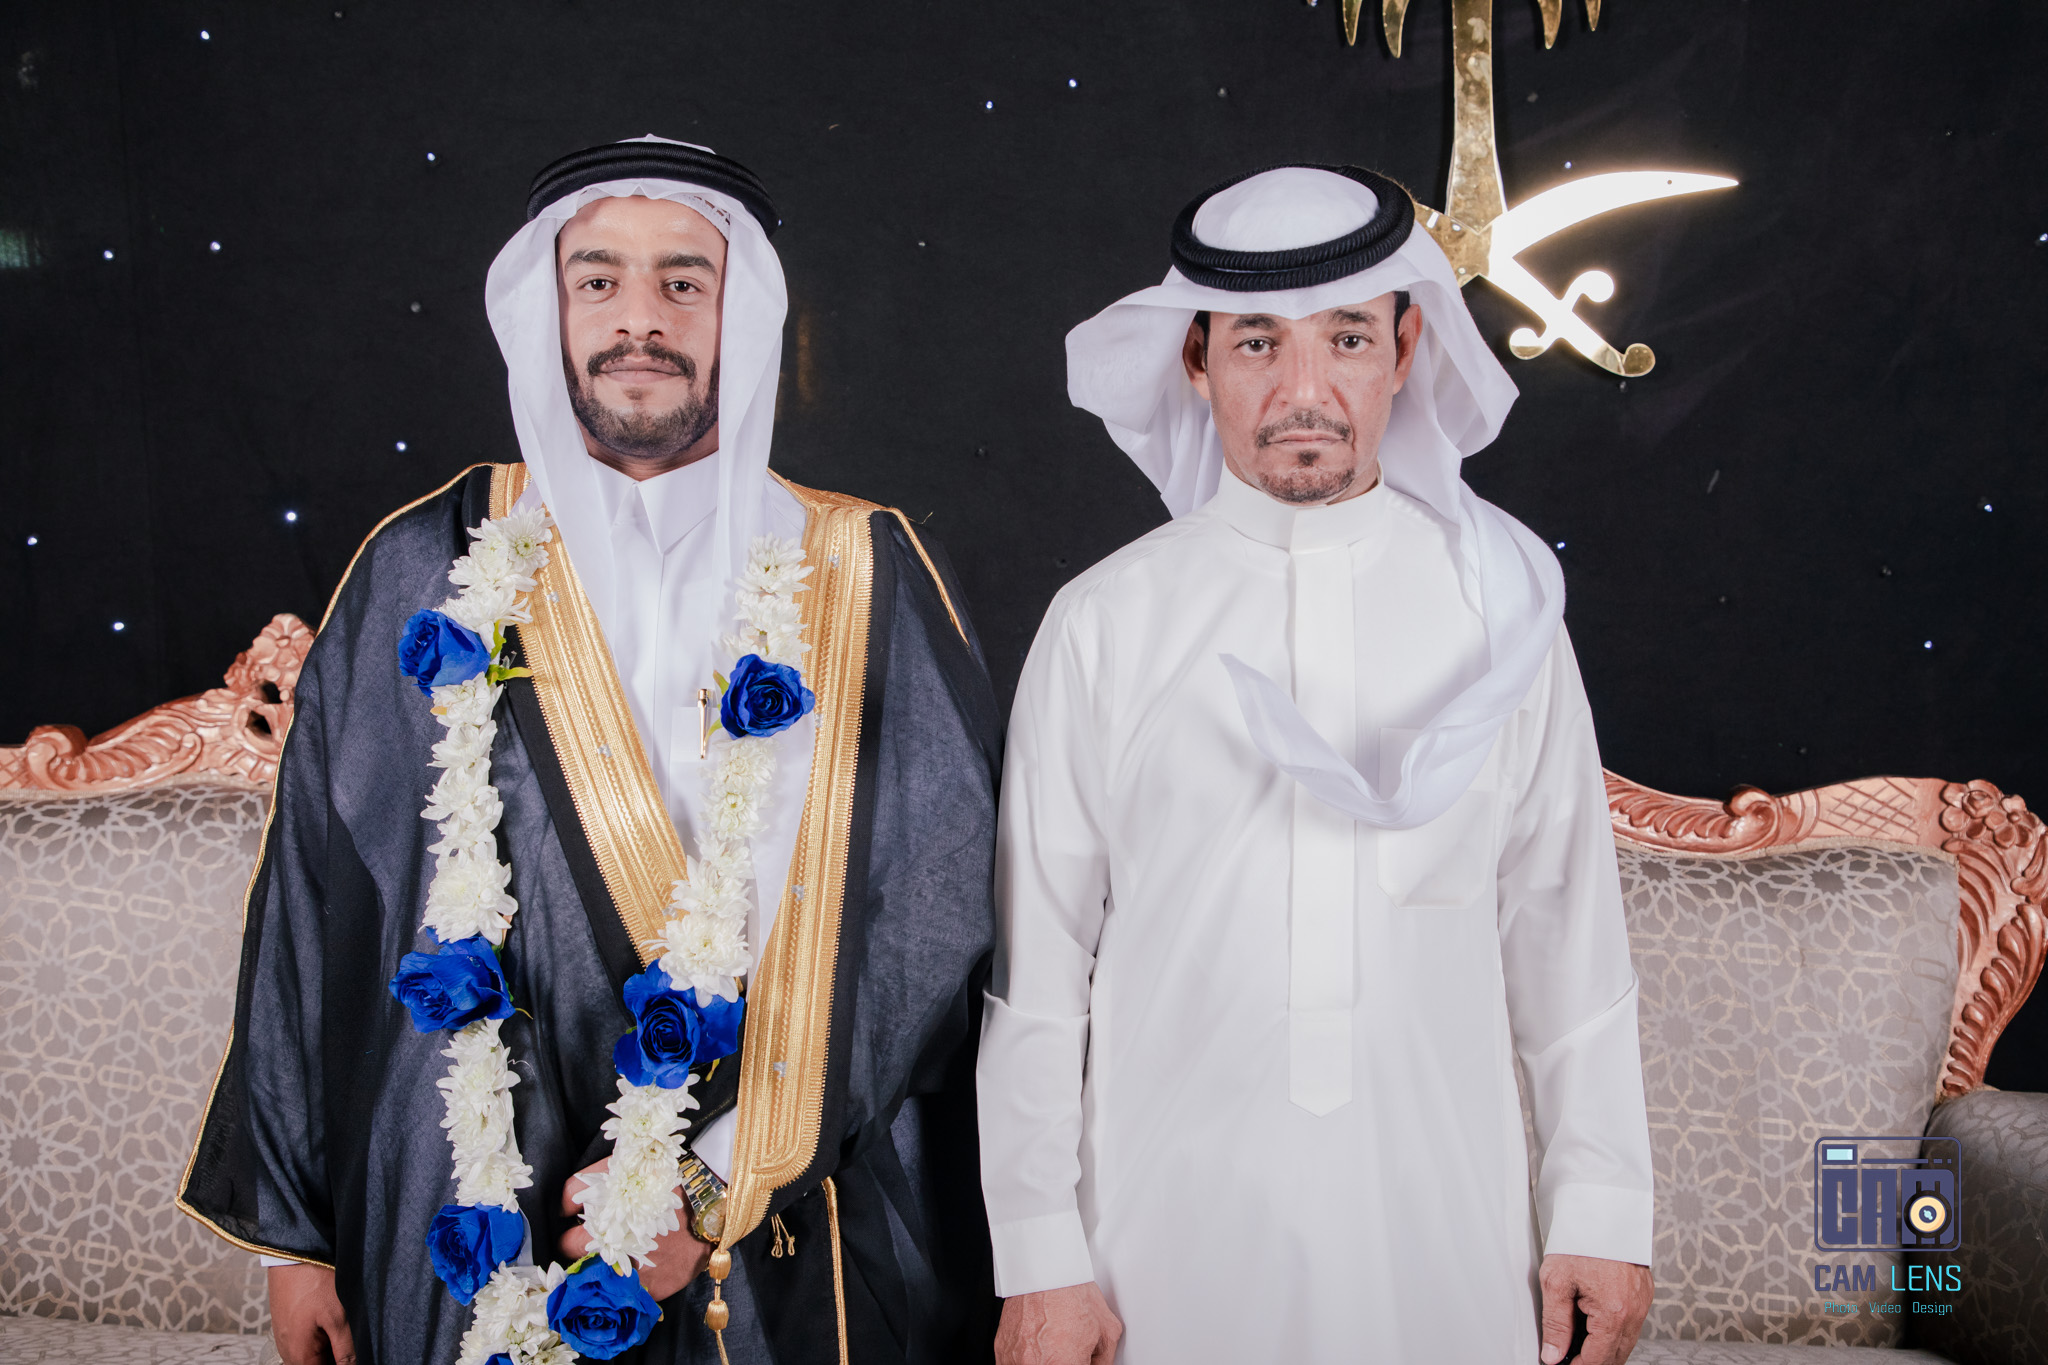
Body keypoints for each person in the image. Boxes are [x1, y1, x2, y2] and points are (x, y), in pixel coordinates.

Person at [179, 137, 1001, 1365]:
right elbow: (316, 900)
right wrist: (294, 1242)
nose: (639, 320)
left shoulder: (858, 567)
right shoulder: (427, 566)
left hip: (775, 1216)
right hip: (475, 1202)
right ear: (547, 310)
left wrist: (713, 1180)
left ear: (741, 316)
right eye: (598, 280)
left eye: (683, 282)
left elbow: (930, 916)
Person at [976, 164, 1655, 1364]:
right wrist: (1038, 1259)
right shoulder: (1103, 624)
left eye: (1345, 338)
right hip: (1162, 1245)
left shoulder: (1500, 619)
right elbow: (1037, 975)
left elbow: (1568, 944)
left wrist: (1600, 1214)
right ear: (1196, 362)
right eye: (1255, 344)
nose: (1302, 391)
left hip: (1445, 1236)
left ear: (1404, 350)